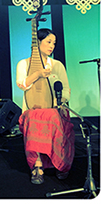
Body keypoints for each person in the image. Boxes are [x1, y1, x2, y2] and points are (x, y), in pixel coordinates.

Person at [15, 28, 74, 184]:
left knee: (54, 116)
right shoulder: (24, 63)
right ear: (37, 43)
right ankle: (37, 166)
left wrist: (62, 102)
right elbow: (22, 84)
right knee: (33, 117)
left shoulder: (57, 65)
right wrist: (37, 74)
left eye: (54, 43)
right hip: (32, 109)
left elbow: (66, 88)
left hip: (55, 109)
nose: (52, 46)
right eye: (48, 42)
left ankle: (60, 164)